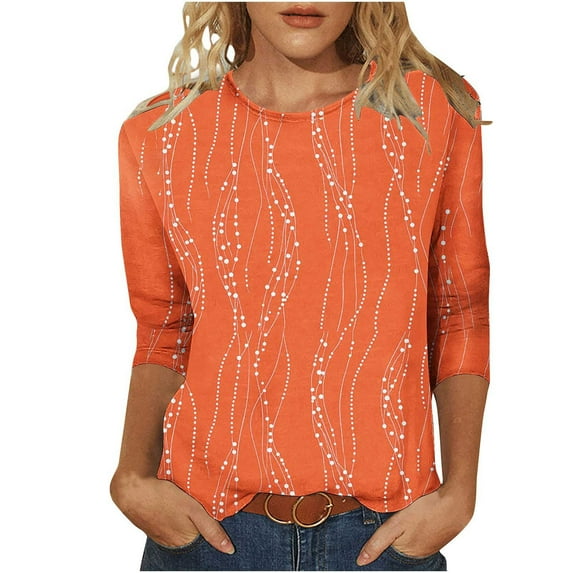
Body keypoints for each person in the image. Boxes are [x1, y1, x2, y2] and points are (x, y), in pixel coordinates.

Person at [110, 2, 490, 571]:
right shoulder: (160, 132)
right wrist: (132, 477)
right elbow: (166, 327)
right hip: (206, 535)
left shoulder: (428, 110)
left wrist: (460, 492)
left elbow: (460, 310)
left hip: (386, 537)